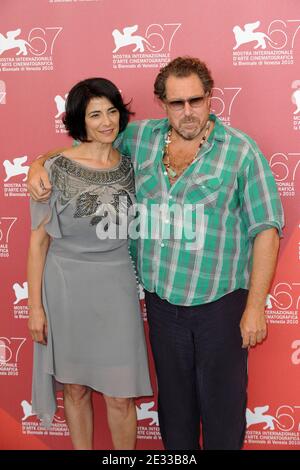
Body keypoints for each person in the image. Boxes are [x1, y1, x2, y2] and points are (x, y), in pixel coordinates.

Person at [28, 57, 284, 450]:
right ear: (162, 103)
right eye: (176, 102)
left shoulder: (242, 152)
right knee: (175, 413)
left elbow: (266, 229)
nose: (187, 112)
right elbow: (85, 146)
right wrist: (39, 163)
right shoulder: (141, 139)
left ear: (210, 98)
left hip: (220, 304)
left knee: (223, 408)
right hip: (162, 304)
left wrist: (254, 307)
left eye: (195, 101)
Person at [27, 77, 152, 450]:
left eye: (112, 111)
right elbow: (37, 244)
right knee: (76, 389)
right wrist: (35, 307)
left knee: (120, 395)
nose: (106, 121)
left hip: (115, 285)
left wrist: (39, 156)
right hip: (65, 286)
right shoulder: (55, 171)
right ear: (79, 121)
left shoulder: (132, 164)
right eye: (94, 114)